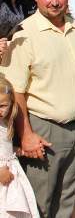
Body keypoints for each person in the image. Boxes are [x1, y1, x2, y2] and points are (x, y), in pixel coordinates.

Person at [0, 0, 75, 217]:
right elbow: (15, 89)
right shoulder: (24, 34)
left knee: (67, 203)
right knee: (40, 204)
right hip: (45, 132)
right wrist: (26, 133)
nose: (55, 1)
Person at [0, 76, 39, 218]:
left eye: (3, 106)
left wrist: (17, 150)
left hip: (11, 174)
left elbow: (3, 148)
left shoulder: (5, 123)